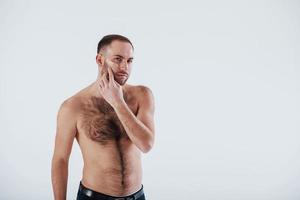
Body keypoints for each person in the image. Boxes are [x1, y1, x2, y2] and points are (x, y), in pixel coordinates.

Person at [51, 34, 155, 200]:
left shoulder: (142, 95)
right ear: (100, 60)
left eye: (129, 61)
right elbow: (60, 160)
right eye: (118, 59)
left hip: (137, 196)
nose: (125, 67)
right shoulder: (73, 107)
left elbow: (146, 145)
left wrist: (118, 102)